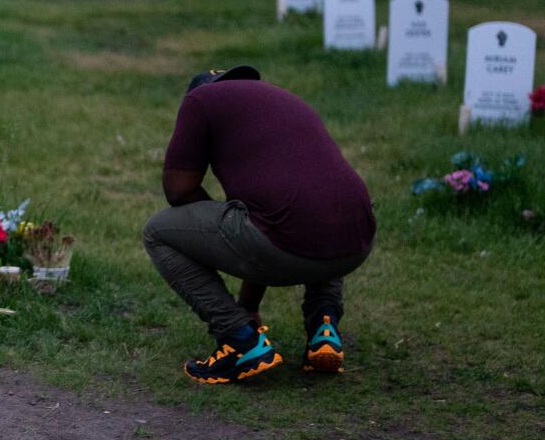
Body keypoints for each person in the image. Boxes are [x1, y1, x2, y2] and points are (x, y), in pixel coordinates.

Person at [142, 66, 376, 383]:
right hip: (357, 237)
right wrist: (249, 304)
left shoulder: (200, 100)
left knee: (158, 232)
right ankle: (325, 325)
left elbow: (178, 190)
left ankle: (241, 341)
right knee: (319, 212)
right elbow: (265, 215)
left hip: (291, 236)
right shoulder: (283, 100)